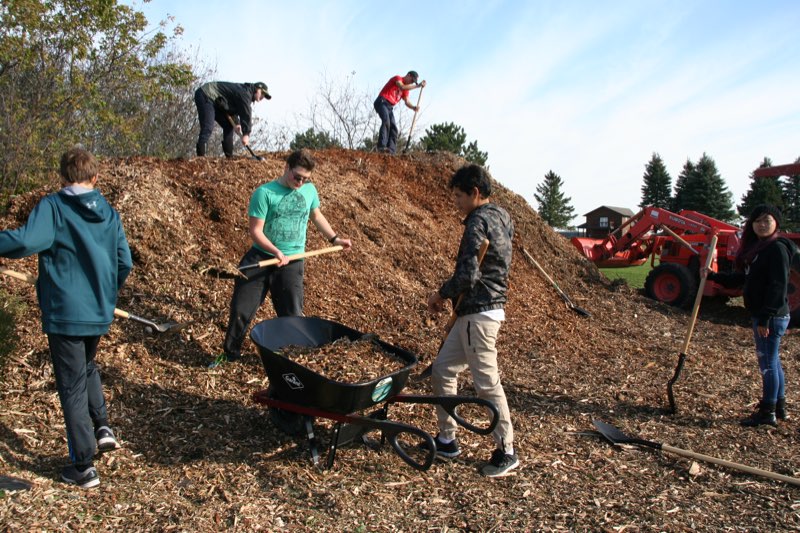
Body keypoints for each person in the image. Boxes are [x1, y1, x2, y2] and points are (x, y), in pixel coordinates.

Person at [0, 147, 133, 489]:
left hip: (66, 313)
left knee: (71, 385)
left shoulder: (54, 207)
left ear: (61, 177)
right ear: (95, 178)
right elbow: (124, 263)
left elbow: (28, 240)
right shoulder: (110, 213)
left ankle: (83, 466)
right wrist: (106, 292)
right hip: (98, 312)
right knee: (86, 366)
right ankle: (102, 426)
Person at [210, 149, 352, 368]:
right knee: (241, 309)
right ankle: (229, 354)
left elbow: (316, 214)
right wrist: (276, 251)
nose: (301, 182)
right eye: (297, 177)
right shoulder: (264, 193)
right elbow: (256, 231)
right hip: (261, 258)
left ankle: (291, 360)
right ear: (286, 168)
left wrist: (335, 239)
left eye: (306, 179)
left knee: (292, 316)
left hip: (292, 263)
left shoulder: (309, 191)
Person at [426, 164, 518, 477]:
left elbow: (467, 274)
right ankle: (447, 438)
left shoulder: (477, 221)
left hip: (479, 314)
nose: (456, 202)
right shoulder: (503, 216)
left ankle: (506, 450)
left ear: (474, 193)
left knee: (487, 383)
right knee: (442, 369)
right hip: (473, 312)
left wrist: (439, 296)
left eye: (458, 196)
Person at [706, 204, 796, 427]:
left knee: (767, 363)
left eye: (767, 220)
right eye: (758, 221)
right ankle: (779, 407)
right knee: (773, 361)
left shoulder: (776, 249)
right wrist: (713, 276)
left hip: (771, 317)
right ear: (751, 225)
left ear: (776, 223)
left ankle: (767, 413)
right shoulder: (758, 248)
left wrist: (765, 317)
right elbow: (742, 279)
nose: (762, 224)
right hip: (767, 315)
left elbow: (778, 286)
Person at [194, 81, 271, 157]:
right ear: (257, 89)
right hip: (206, 94)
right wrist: (246, 134)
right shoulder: (245, 93)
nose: (262, 97)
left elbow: (231, 109)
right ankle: (201, 157)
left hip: (216, 101)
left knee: (229, 125)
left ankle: (229, 157)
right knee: (208, 126)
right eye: (262, 94)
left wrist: (236, 123)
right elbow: (246, 113)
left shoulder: (245, 94)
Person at [373, 71, 426, 154]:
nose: (412, 82)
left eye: (413, 82)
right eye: (412, 80)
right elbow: (402, 87)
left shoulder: (406, 89)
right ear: (408, 75)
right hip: (382, 101)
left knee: (394, 128)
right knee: (386, 121)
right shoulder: (398, 78)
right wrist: (417, 86)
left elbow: (406, 101)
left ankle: (391, 150)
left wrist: (413, 107)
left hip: (389, 107)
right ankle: (381, 146)